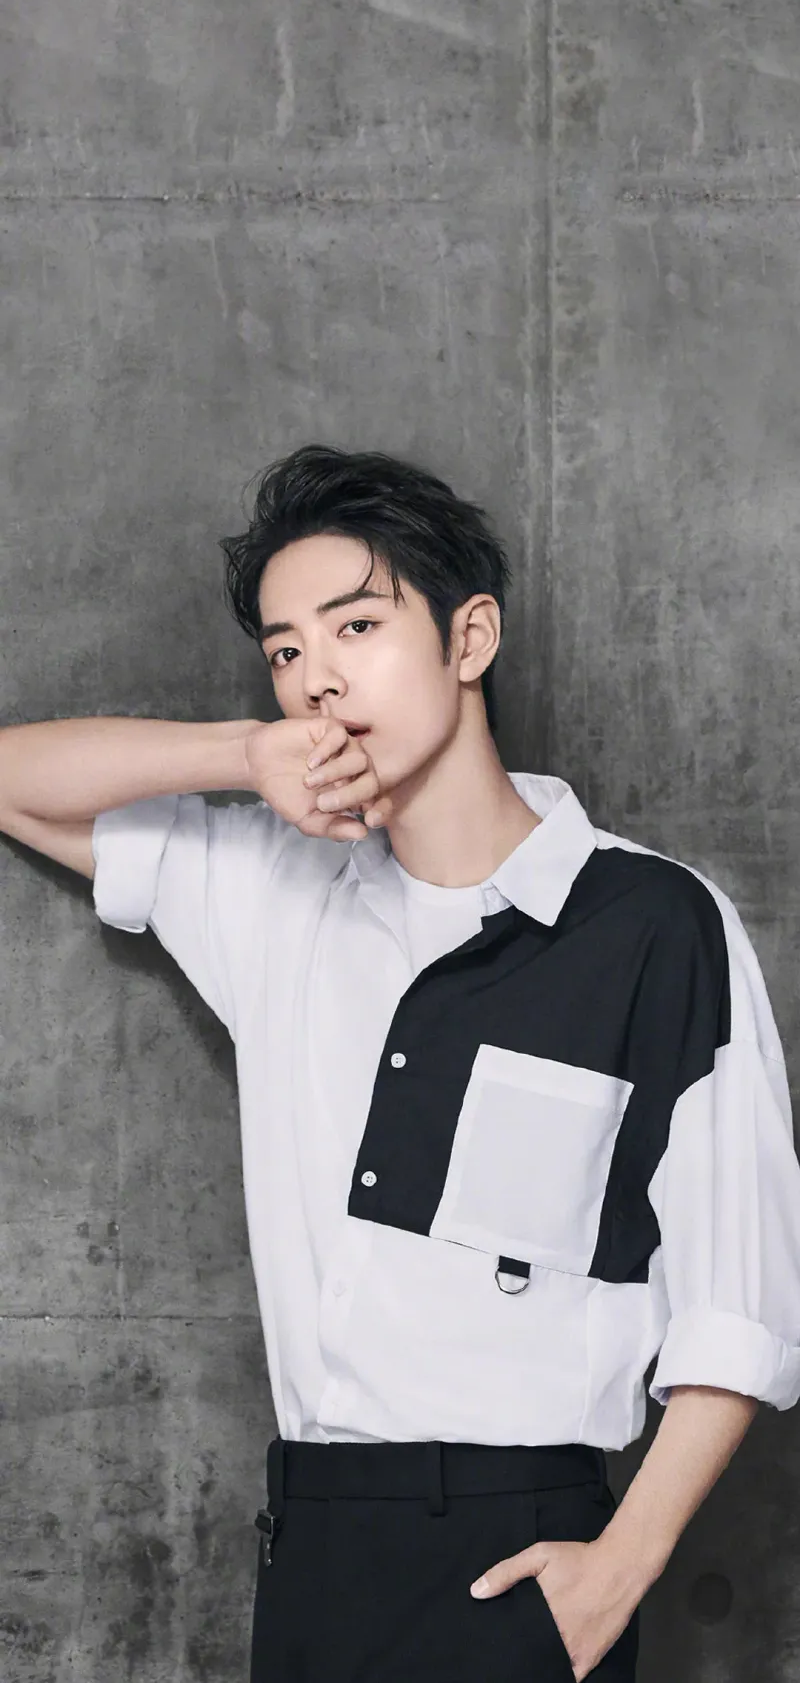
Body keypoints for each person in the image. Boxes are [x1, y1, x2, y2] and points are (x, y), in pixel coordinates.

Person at [2, 444, 800, 1683]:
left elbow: (736, 1300)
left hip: (521, 1551)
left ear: (467, 636)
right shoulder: (276, 893)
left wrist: (616, 1569)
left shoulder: (650, 923)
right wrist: (241, 753)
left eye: (356, 625)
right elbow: (14, 778)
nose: (315, 677)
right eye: (283, 650)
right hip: (310, 1544)